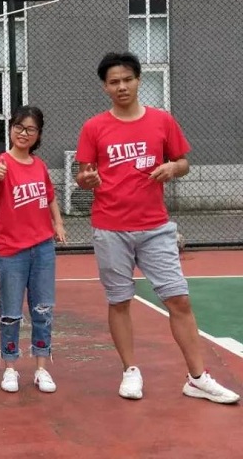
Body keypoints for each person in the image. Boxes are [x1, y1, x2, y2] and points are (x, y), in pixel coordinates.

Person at [76, 51, 239, 404]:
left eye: (127, 79)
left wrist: (173, 168)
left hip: (155, 227)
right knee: (119, 301)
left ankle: (197, 377)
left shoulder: (162, 121)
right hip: (110, 227)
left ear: (138, 80)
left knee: (179, 299)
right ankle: (130, 370)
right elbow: (83, 174)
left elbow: (183, 162)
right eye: (114, 82)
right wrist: (86, 180)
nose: (122, 86)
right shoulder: (94, 127)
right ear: (105, 87)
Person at [0, 105, 66, 394]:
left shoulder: (40, 165)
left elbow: (50, 197)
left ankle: (41, 367)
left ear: (38, 135)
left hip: (43, 248)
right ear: (11, 129)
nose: (24, 133)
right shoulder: (0, 162)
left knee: (43, 309)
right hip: (12, 251)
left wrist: (58, 223)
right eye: (19, 127)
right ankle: (10, 367)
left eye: (30, 129)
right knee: (10, 313)